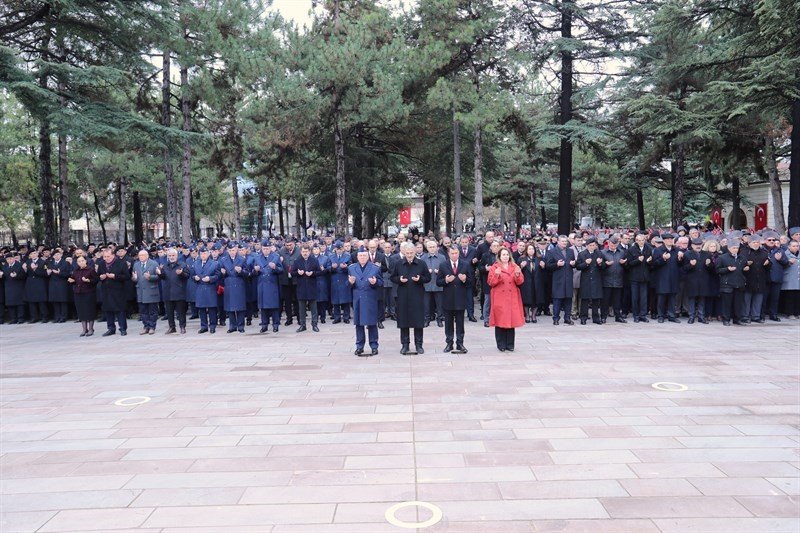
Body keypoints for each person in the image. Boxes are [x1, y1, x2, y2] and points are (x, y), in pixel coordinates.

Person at [391, 241, 431, 355]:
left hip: (417, 295)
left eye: (411, 253)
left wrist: (420, 279)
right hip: (403, 295)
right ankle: (405, 345)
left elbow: (428, 277)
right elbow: (392, 277)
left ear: (414, 252)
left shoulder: (421, 263)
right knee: (404, 321)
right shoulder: (399, 264)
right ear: (404, 253)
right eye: (407, 253)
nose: (409, 255)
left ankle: (419, 345)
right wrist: (399, 280)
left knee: (418, 321)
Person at [487, 247, 525, 351]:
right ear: (499, 256)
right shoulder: (494, 267)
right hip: (499, 297)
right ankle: (501, 345)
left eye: (507, 254)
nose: (505, 256)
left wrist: (517, 274)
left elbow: (520, 281)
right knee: (500, 320)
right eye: (503, 254)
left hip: (512, 297)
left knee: (511, 321)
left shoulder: (514, 266)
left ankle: (510, 344)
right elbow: (490, 282)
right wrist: (497, 275)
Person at [348, 246, 383, 356]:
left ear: (368, 256)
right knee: (359, 324)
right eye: (360, 256)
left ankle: (374, 346)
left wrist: (375, 282)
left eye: (364, 256)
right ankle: (359, 346)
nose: (362, 257)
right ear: (357, 257)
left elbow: (381, 282)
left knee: (372, 323)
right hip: (358, 298)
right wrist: (351, 282)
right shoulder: (352, 268)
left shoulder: (375, 268)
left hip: (370, 298)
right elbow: (348, 285)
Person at [437, 245, 472, 353]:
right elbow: (438, 282)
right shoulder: (443, 265)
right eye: (452, 253)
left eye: (456, 253)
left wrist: (465, 279)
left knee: (460, 323)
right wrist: (446, 280)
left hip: (460, 299)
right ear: (448, 254)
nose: (454, 255)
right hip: (448, 299)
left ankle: (460, 343)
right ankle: (449, 343)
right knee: (448, 323)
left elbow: (472, 282)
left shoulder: (465, 264)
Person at [97, 248, 130, 336]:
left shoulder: (121, 263)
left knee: (120, 310)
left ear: (113, 255)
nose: (106, 258)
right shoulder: (101, 264)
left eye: (108, 256)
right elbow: (97, 275)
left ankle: (123, 328)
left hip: (118, 290)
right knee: (108, 310)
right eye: (104, 257)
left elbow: (126, 277)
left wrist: (115, 276)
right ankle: (111, 328)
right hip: (106, 290)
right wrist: (101, 277)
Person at [219, 242, 250, 333]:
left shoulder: (241, 259)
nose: (232, 252)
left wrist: (241, 271)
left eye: (233, 250)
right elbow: (219, 274)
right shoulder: (223, 260)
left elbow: (247, 273)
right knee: (230, 307)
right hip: (228, 284)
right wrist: (223, 273)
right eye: (230, 250)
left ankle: (240, 326)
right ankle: (232, 326)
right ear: (227, 251)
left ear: (236, 250)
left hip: (239, 284)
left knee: (240, 306)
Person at [253, 241, 283, 333]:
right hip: (262, 284)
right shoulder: (257, 257)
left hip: (272, 284)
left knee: (274, 306)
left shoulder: (275, 256)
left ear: (270, 248)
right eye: (264, 249)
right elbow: (253, 271)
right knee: (263, 307)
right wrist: (256, 270)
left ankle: (275, 324)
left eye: (267, 248)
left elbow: (281, 270)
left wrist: (275, 268)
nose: (266, 250)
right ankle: (264, 325)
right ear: (262, 249)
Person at [740, 234, 770, 324]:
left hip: (760, 279)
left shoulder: (764, 252)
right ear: (749, 243)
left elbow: (769, 267)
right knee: (746, 299)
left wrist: (768, 263)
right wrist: (745, 265)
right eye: (754, 242)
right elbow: (739, 264)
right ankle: (745, 316)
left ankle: (755, 316)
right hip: (748, 279)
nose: (756, 244)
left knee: (758, 299)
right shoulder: (743, 252)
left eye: (757, 242)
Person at [545, 235, 575, 325]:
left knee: (568, 299)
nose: (564, 243)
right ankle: (556, 318)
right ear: (558, 242)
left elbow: (573, 263)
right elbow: (548, 266)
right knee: (557, 300)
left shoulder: (570, 251)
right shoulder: (552, 251)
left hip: (568, 279)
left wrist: (573, 263)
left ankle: (567, 318)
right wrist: (557, 264)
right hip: (558, 280)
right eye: (562, 241)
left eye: (565, 241)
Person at [651, 233, 681, 323]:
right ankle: (661, 315)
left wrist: (680, 259)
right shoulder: (658, 250)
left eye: (671, 239)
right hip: (662, 278)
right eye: (667, 239)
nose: (670, 241)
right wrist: (663, 259)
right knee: (662, 297)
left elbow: (680, 265)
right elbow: (654, 264)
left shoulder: (676, 250)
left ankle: (671, 315)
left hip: (674, 277)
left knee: (672, 297)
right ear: (664, 241)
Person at [159, 248, 189, 334]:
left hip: (179, 292)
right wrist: (160, 274)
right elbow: (163, 277)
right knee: (169, 312)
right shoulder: (164, 265)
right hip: (168, 292)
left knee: (181, 312)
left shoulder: (182, 264)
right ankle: (172, 327)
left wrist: (181, 273)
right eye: (170, 256)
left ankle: (182, 327)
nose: (171, 257)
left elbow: (187, 275)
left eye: (173, 255)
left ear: (177, 256)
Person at [575, 237, 605, 325]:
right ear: (587, 246)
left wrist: (600, 263)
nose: (592, 247)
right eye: (591, 245)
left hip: (596, 279)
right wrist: (586, 263)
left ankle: (596, 318)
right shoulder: (582, 254)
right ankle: (583, 317)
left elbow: (604, 267)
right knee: (585, 299)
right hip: (586, 280)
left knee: (596, 299)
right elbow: (578, 266)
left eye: (594, 245)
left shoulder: (599, 253)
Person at [717, 239, 746, 326]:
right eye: (733, 248)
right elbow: (717, 270)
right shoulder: (722, 257)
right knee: (727, 303)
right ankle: (726, 319)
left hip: (739, 283)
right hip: (727, 284)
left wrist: (746, 269)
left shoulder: (742, 258)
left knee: (738, 303)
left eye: (737, 248)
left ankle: (737, 319)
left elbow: (743, 269)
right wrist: (727, 269)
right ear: (729, 248)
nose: (735, 250)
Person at [132, 249, 161, 335]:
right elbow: (134, 278)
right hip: (140, 291)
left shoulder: (154, 263)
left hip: (151, 290)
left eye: (143, 255)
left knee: (152, 311)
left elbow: (159, 276)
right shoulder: (136, 265)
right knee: (143, 311)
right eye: (140, 255)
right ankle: (146, 326)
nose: (141, 257)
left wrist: (150, 277)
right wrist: (134, 278)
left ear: (147, 256)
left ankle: (152, 326)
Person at [192, 247, 220, 334]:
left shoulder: (214, 263)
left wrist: (210, 278)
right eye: (201, 254)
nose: (203, 255)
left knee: (212, 308)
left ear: (208, 254)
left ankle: (212, 326)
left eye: (204, 253)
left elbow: (218, 275)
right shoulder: (196, 263)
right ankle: (203, 326)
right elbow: (192, 275)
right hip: (200, 287)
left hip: (210, 288)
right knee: (202, 308)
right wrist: (194, 278)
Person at [293, 244, 320, 332]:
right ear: (301, 252)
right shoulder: (297, 260)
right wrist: (298, 273)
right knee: (302, 308)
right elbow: (292, 273)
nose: (305, 253)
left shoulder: (314, 260)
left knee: (314, 308)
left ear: (309, 252)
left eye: (306, 251)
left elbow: (319, 272)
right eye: (303, 252)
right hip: (301, 288)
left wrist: (312, 273)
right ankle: (302, 325)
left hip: (312, 287)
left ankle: (314, 324)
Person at [682, 238, 710, 324]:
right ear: (692, 245)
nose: (698, 246)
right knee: (692, 299)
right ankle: (691, 316)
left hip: (703, 280)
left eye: (699, 244)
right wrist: (691, 265)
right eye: (696, 244)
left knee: (702, 298)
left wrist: (709, 264)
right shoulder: (687, 254)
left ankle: (701, 316)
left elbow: (712, 269)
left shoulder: (707, 254)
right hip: (692, 280)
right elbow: (684, 268)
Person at [68, 255, 97, 336]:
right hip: (78, 293)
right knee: (81, 311)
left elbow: (96, 280)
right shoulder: (75, 270)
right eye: (79, 261)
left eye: (82, 261)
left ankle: (91, 329)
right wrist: (71, 280)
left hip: (88, 292)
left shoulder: (90, 270)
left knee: (89, 311)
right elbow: (74, 279)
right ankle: (84, 329)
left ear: (86, 261)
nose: (81, 262)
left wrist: (88, 280)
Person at [626, 232, 651, 323]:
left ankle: (643, 315)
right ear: (636, 241)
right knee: (635, 297)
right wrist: (637, 260)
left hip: (644, 277)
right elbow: (628, 264)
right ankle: (636, 315)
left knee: (644, 297)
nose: (641, 242)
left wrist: (649, 261)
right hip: (634, 277)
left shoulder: (648, 248)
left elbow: (651, 264)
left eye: (643, 240)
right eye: (639, 240)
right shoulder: (631, 250)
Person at [600, 236, 626, 323]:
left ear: (618, 244)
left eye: (615, 244)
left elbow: (626, 266)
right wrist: (605, 264)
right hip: (606, 279)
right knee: (605, 300)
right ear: (608, 243)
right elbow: (599, 267)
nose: (613, 245)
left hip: (618, 279)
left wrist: (623, 263)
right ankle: (603, 316)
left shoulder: (621, 252)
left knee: (617, 300)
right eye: (611, 243)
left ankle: (618, 316)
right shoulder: (603, 252)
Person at [422, 239, 444, 327]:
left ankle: (440, 319)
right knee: (426, 304)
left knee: (439, 303)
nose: (432, 249)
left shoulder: (442, 257)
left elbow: (445, 269)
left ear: (437, 248)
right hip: (426, 284)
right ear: (427, 248)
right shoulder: (423, 258)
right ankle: (427, 319)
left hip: (438, 283)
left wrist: (439, 271)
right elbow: (420, 271)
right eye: (430, 247)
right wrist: (426, 271)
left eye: (433, 247)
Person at [278, 239, 300, 325]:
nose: (288, 247)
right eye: (287, 245)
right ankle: (289, 319)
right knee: (287, 301)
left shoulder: (299, 251)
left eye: (290, 245)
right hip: (285, 280)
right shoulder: (281, 251)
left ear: (293, 244)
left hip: (296, 279)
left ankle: (299, 318)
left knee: (297, 300)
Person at [23, 249, 49, 323]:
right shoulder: (27, 262)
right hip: (30, 283)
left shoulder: (43, 262)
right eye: (31, 254)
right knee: (31, 302)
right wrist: (24, 270)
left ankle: (44, 317)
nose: (33, 255)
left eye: (35, 253)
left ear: (37, 254)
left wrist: (35, 270)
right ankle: (34, 317)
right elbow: (24, 275)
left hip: (40, 283)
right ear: (30, 256)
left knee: (41, 301)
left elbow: (45, 274)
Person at [329, 241, 352, 323]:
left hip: (344, 280)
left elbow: (351, 267)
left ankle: (346, 317)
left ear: (343, 248)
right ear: (335, 249)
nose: (339, 250)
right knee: (335, 301)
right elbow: (327, 268)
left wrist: (345, 268)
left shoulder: (348, 256)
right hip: (335, 280)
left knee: (346, 300)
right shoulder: (331, 256)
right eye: (337, 249)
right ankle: (337, 317)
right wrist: (332, 268)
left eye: (340, 248)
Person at [47, 248, 71, 323]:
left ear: (61, 255)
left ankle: (63, 317)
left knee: (62, 301)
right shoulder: (50, 263)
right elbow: (47, 274)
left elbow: (68, 274)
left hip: (62, 283)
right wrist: (48, 273)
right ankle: (57, 317)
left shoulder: (65, 263)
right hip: (53, 284)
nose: (57, 256)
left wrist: (59, 273)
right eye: (55, 255)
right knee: (55, 301)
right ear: (53, 256)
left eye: (58, 254)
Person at [458, 235, 479, 322]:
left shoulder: (473, 250)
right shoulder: (457, 250)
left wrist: (475, 261)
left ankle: (471, 315)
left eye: (466, 242)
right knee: (459, 297)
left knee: (470, 297)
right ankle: (459, 315)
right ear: (460, 242)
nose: (464, 244)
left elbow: (476, 262)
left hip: (470, 276)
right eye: (462, 242)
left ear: (468, 242)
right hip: (459, 275)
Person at [312, 244, 331, 323]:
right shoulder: (310, 258)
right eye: (314, 249)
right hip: (313, 281)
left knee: (322, 301)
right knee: (314, 302)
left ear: (320, 250)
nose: (316, 251)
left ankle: (323, 317)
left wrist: (324, 269)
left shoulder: (325, 258)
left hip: (322, 281)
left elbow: (329, 268)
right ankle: (315, 318)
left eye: (317, 249)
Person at [780, 240, 799, 318]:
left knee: (797, 297)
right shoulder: (785, 254)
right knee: (790, 297)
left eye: (797, 246)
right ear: (789, 247)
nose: (795, 248)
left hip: (798, 279)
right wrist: (788, 262)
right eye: (793, 246)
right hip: (789, 279)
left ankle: (797, 313)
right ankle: (790, 313)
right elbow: (782, 264)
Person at [518, 244, 537, 323]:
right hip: (526, 282)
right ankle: (527, 315)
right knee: (526, 299)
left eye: (532, 249)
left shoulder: (538, 258)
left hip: (536, 282)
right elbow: (517, 270)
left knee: (535, 299)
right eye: (529, 249)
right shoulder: (522, 258)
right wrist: (521, 266)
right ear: (526, 250)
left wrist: (543, 266)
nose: (531, 250)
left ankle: (533, 315)